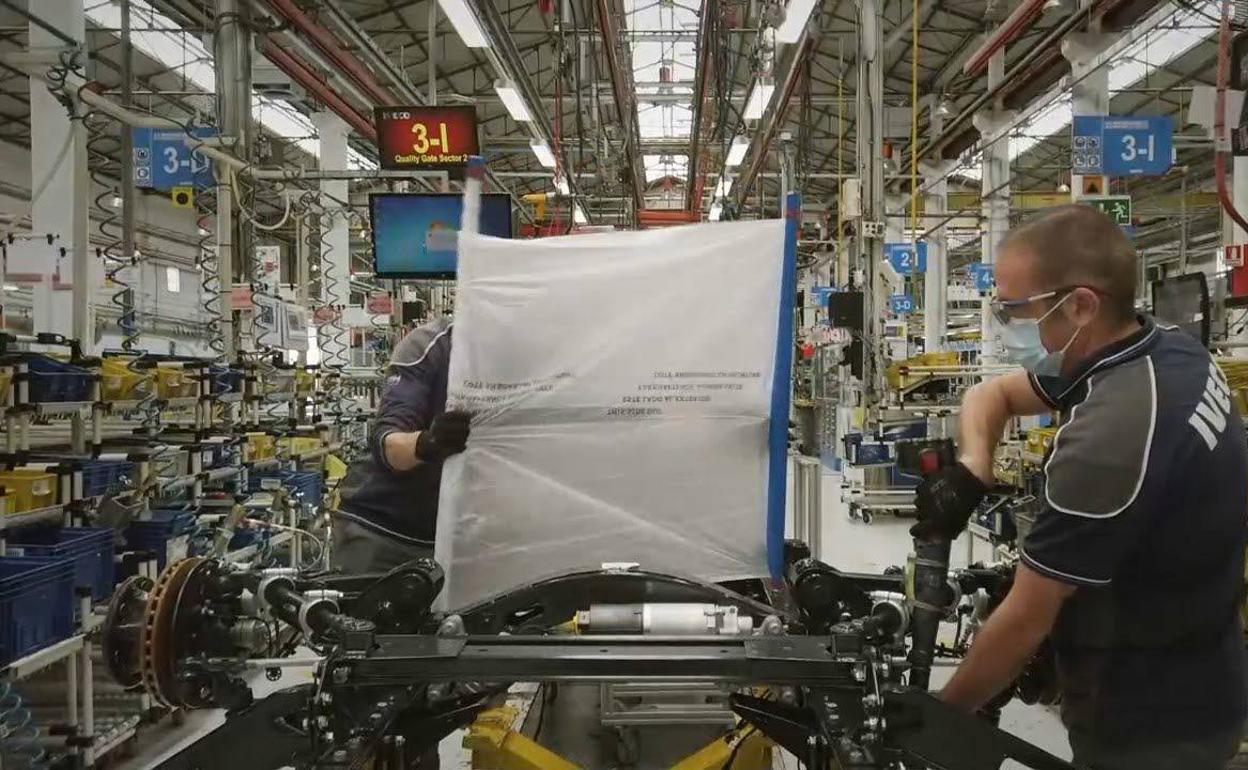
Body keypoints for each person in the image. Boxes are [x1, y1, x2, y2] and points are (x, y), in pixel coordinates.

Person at [911, 204, 1247, 770]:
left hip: (1149, 720)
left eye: (1013, 309)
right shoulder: (1164, 348)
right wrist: (974, 466)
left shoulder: (1109, 437)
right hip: (1204, 659)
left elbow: (1025, 617)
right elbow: (991, 396)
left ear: (1081, 305)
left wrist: (942, 717)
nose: (1003, 324)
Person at [333, 315, 472, 573]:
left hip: (466, 540)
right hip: (386, 531)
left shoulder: (537, 357)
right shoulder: (431, 344)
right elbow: (389, 441)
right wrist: (428, 443)